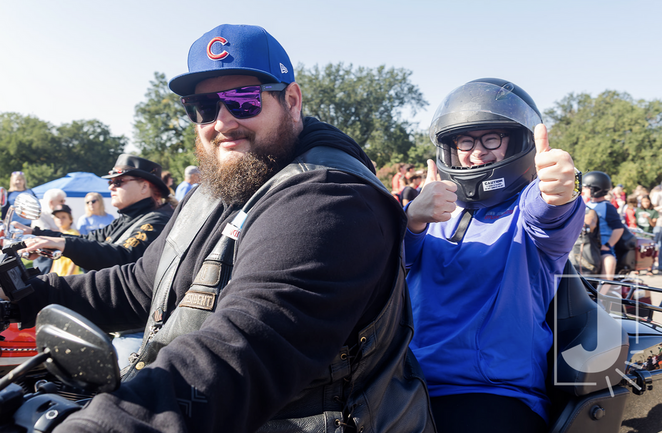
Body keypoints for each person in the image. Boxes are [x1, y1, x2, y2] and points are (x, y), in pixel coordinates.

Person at [7, 24, 434, 433]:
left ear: (292, 100)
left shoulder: (330, 197)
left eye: (245, 99)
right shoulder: (219, 185)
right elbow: (141, 286)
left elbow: (249, 348)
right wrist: (22, 294)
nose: (223, 122)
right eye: (204, 107)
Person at [404, 78, 584, 432]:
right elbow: (388, 267)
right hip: (408, 384)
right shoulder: (432, 214)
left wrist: (562, 189)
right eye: (465, 141)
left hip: (494, 392)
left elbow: (550, 213)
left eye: (491, 139)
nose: (477, 152)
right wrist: (411, 219)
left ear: (516, 142)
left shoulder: (525, 213)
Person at [583, 171, 625, 289]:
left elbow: (619, 228)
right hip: (586, 247)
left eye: (586, 186)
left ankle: (601, 298)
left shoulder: (608, 207)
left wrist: (608, 245)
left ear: (595, 188)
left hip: (601, 248)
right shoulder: (585, 204)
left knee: (609, 261)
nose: (583, 189)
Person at [49, 204, 81, 277]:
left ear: (70, 219)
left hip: (69, 276)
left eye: (63, 217)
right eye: (57, 217)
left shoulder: (73, 234)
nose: (60, 219)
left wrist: (69, 274)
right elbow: (55, 258)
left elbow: (76, 256)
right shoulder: (58, 235)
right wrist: (51, 273)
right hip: (58, 274)